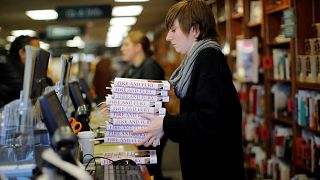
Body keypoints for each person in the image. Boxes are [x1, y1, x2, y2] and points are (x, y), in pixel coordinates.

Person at [133, 1, 245, 180]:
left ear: (195, 29)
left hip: (214, 170)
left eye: (174, 30)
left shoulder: (209, 59)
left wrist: (165, 124)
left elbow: (211, 119)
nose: (168, 37)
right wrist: (164, 128)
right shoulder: (198, 59)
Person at [120, 30, 169, 180]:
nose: (122, 48)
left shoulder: (150, 67)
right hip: (138, 130)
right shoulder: (131, 69)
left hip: (150, 131)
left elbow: (150, 102)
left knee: (149, 172)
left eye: (126, 44)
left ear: (138, 47)